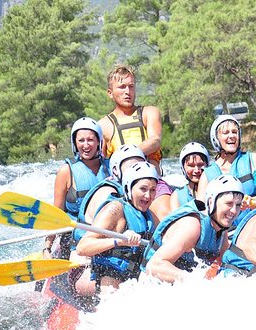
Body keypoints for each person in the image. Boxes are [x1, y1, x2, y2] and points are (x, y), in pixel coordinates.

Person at [98, 63, 172, 221]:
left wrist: (127, 153)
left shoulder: (149, 113)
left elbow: (155, 141)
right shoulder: (103, 125)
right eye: (122, 87)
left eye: (131, 86)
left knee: (165, 215)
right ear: (110, 93)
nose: (127, 92)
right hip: (120, 187)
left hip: (152, 184)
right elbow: (100, 162)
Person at [144, 174, 244, 283]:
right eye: (229, 204)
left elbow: (222, 260)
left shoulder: (221, 229)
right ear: (211, 202)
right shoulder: (192, 225)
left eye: (238, 205)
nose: (234, 211)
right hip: (150, 285)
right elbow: (153, 267)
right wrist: (197, 282)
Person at [75, 161, 159, 290]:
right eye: (143, 189)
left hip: (132, 279)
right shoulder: (115, 209)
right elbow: (82, 247)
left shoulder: (147, 214)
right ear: (128, 188)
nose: (148, 195)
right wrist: (119, 241)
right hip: (107, 280)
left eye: (153, 190)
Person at [44, 117, 110, 259]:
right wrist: (47, 246)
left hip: (107, 236)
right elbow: (56, 214)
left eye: (90, 140)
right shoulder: (66, 171)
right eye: (81, 140)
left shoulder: (113, 168)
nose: (86, 145)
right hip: (74, 238)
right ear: (75, 143)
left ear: (99, 142)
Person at [196, 114, 256, 203]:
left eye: (234, 132)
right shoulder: (207, 175)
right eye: (226, 133)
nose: (231, 136)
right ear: (216, 138)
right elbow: (201, 209)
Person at [170, 142, 209, 210]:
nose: (196, 170)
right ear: (183, 168)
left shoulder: (216, 189)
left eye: (200, 165)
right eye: (191, 166)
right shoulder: (177, 196)